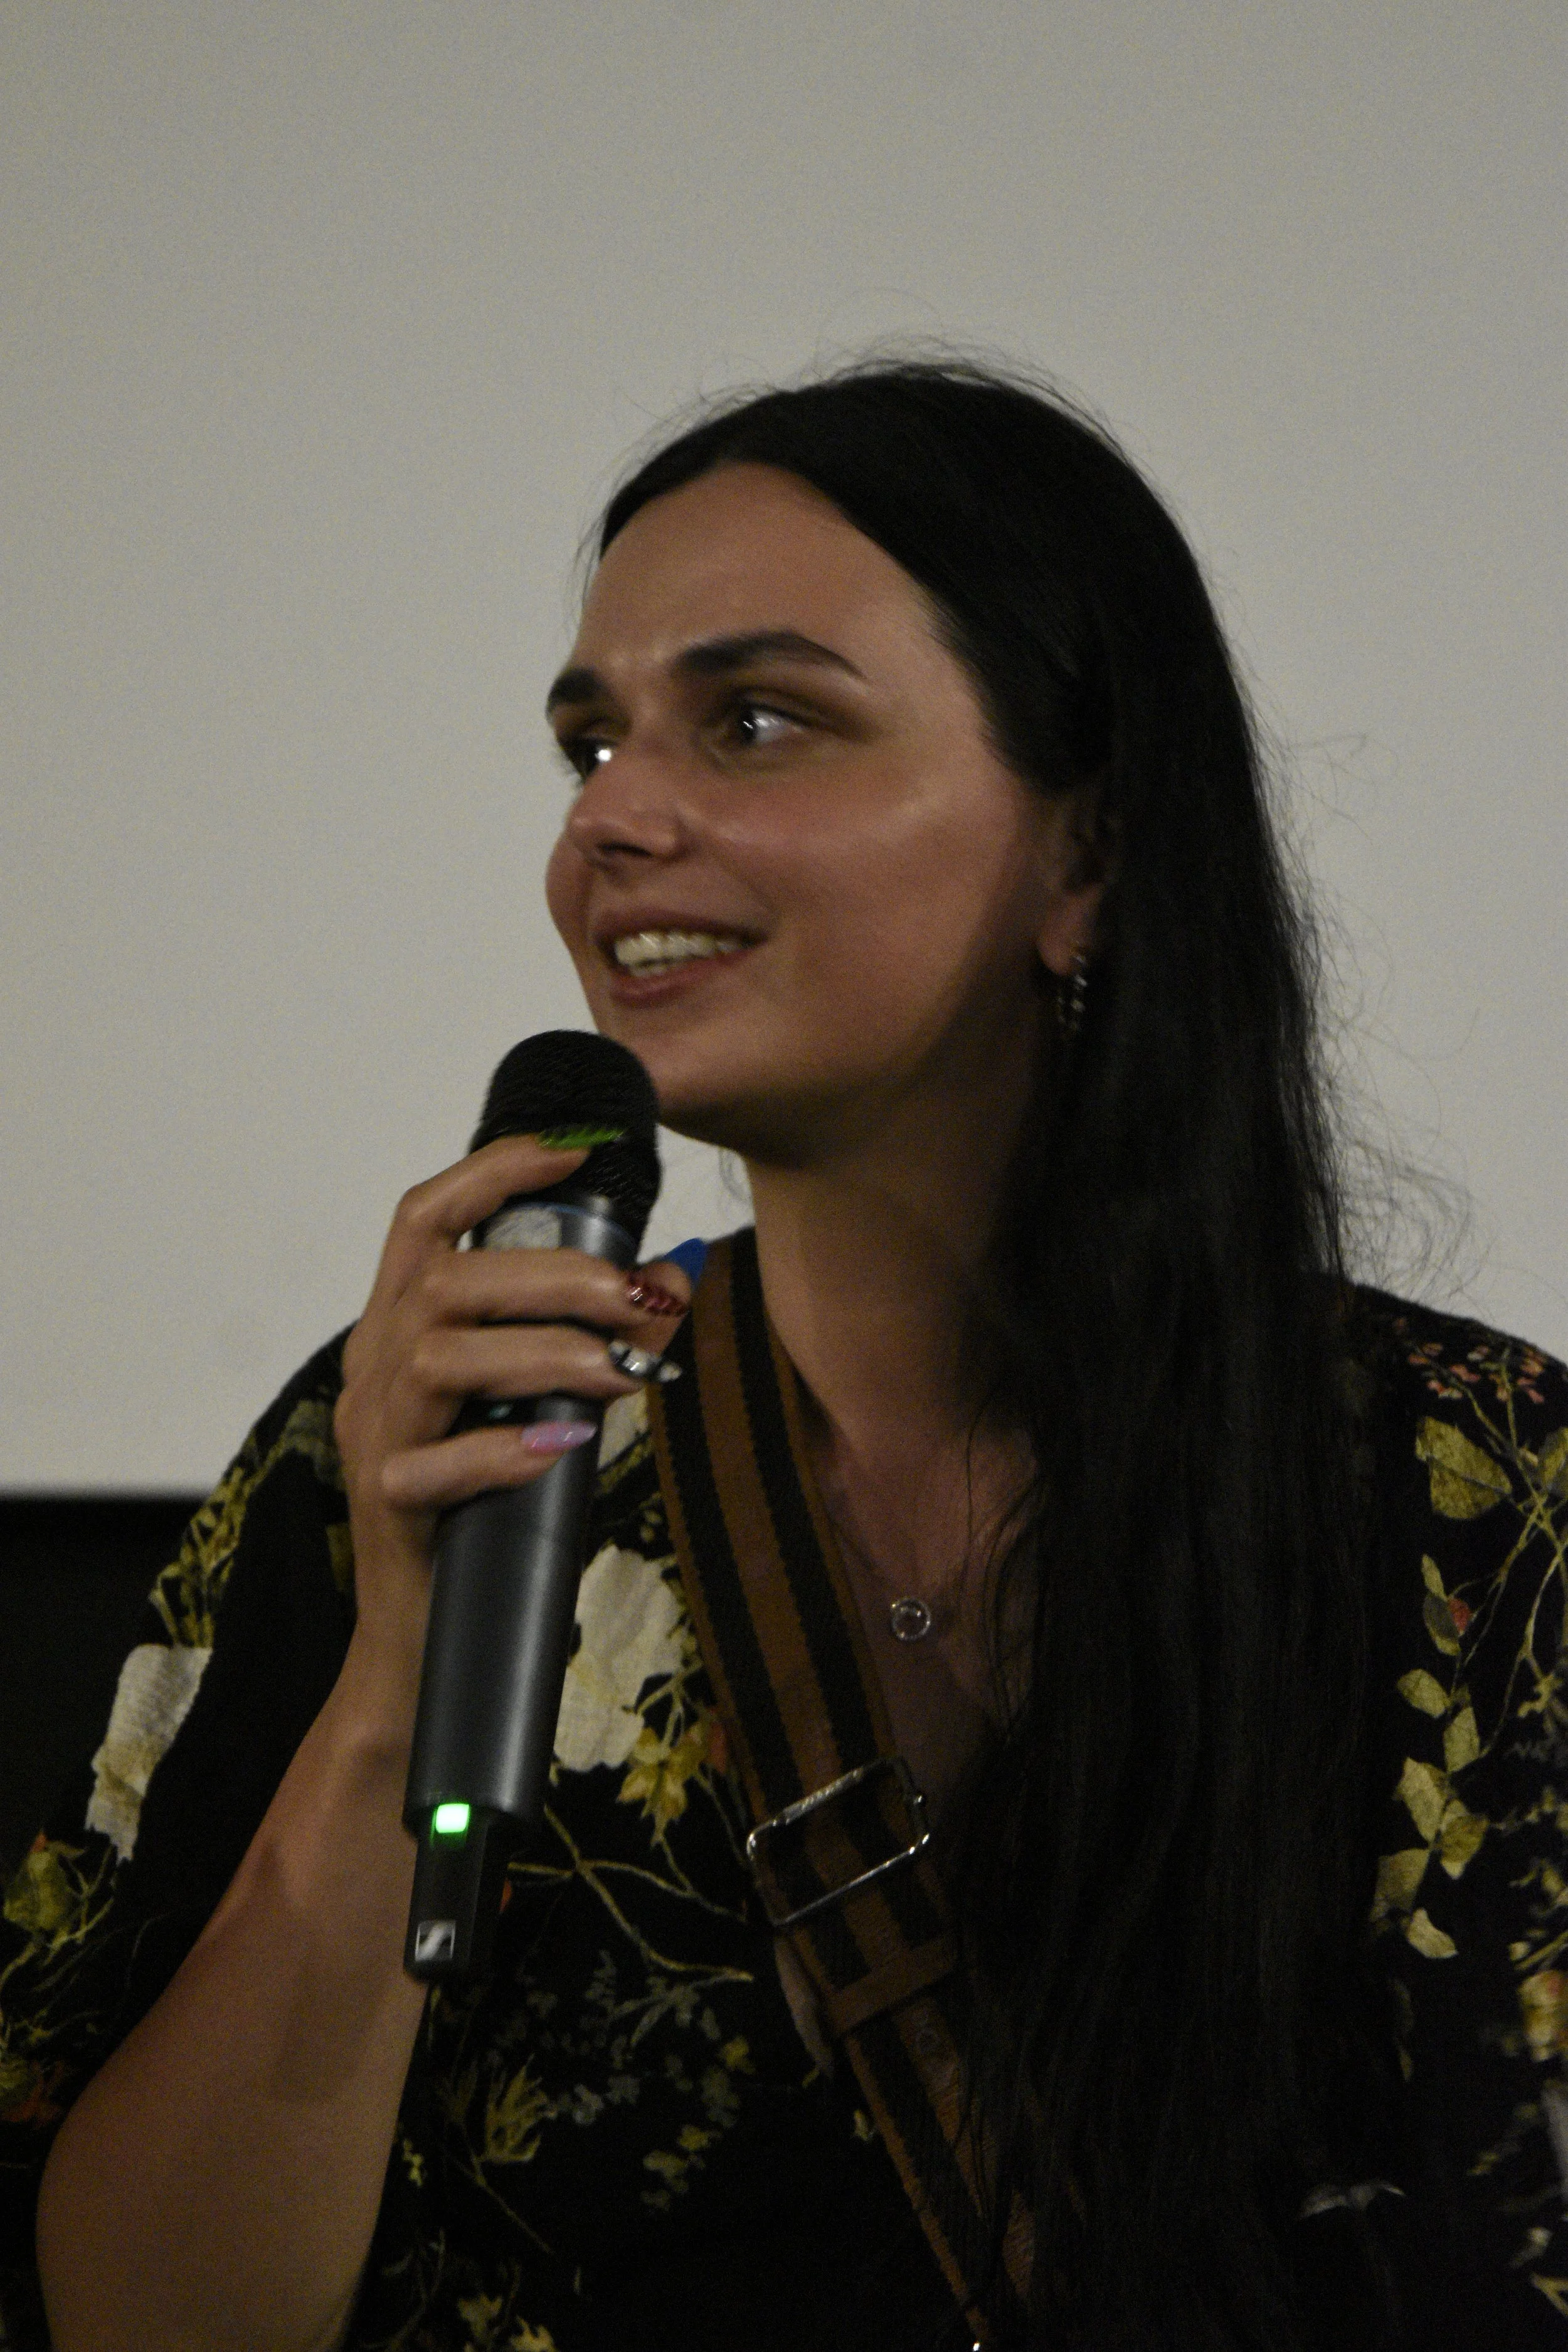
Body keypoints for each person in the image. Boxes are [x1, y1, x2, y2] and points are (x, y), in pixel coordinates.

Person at [1, 359, 1564, 2352]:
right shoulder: (399, 1442)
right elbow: (141, 2322)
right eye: (588, 744)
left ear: (1085, 851)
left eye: (753, 721)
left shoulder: (1482, 1501)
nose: (613, 821)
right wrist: (394, 1701)